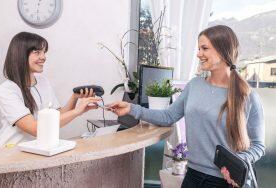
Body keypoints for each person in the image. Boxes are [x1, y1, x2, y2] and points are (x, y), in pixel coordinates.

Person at [107, 25, 265, 188]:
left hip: (224, 181)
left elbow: (258, 145)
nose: (198, 54)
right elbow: (168, 117)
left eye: (204, 48)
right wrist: (131, 109)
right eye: (198, 48)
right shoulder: (194, 85)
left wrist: (238, 163)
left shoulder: (248, 96)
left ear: (222, 50)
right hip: (192, 175)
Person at [0, 32, 100, 148]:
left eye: (44, 52)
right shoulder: (7, 90)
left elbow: (57, 115)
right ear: (20, 54)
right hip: (11, 150)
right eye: (37, 52)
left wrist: (75, 98)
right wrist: (76, 111)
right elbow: (34, 129)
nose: (43, 57)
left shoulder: (43, 81)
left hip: (37, 148)